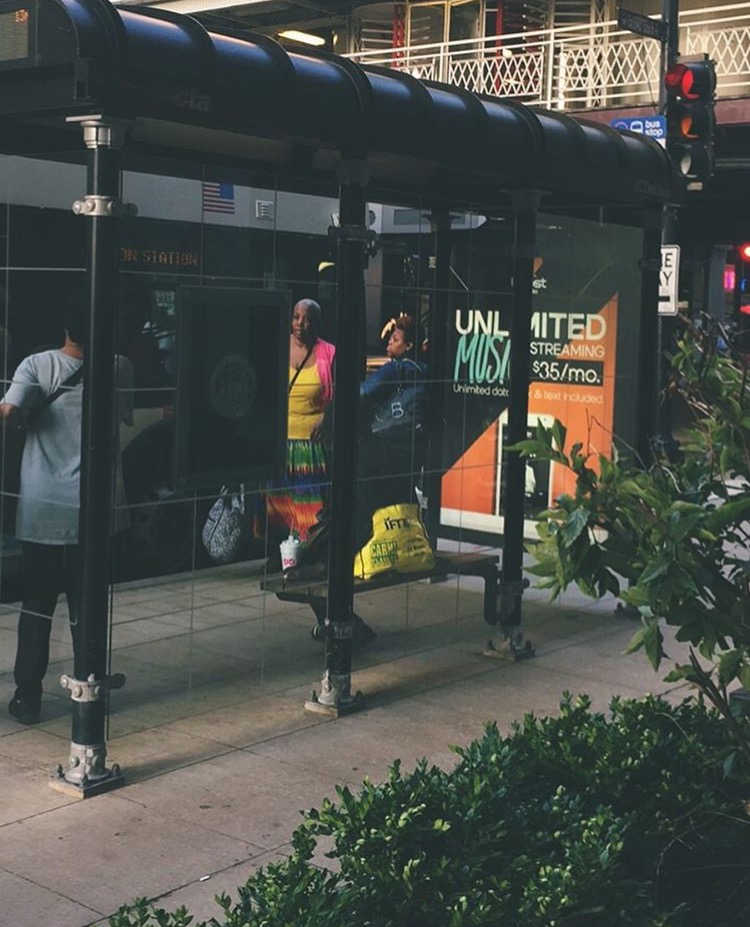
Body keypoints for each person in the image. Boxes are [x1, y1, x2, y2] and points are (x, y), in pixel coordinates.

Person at [1, 294, 133, 725]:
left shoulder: (36, 365)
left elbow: (9, 411)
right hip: (94, 511)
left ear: (64, 328)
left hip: (43, 509)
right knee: (87, 606)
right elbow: (123, 419)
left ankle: (28, 696)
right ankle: (88, 688)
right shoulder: (119, 367)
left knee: (37, 605)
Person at [259, 299, 335, 560]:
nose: (301, 324)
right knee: (278, 509)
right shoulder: (279, 348)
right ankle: (282, 558)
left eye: (308, 319)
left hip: (312, 447)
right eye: (296, 317)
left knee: (310, 511)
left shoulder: (328, 353)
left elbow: (341, 394)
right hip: (281, 445)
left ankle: (308, 557)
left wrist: (326, 418)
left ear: (317, 324)